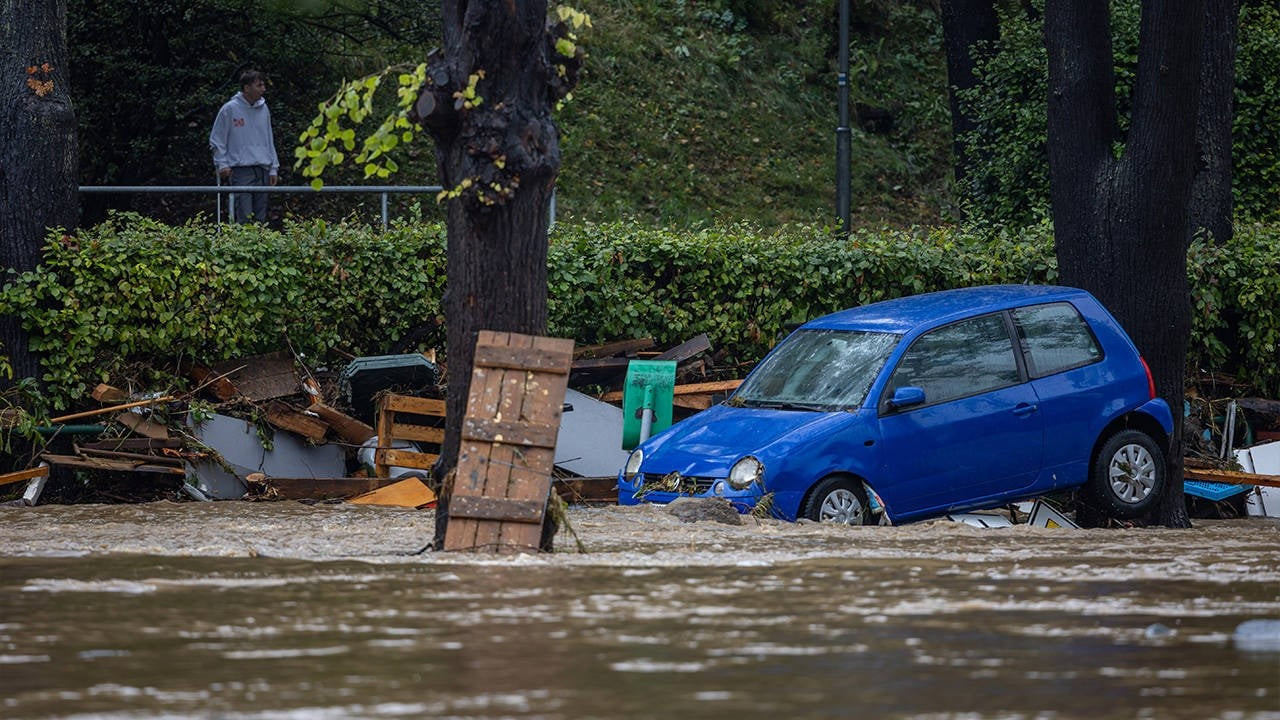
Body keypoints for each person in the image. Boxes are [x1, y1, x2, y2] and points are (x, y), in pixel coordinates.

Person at [209, 69, 279, 223]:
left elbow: (269, 139)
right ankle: (242, 246)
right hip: (241, 169)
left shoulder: (264, 108)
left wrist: (273, 167)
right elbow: (217, 139)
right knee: (244, 215)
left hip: (262, 168)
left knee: (260, 217)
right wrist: (222, 163)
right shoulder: (230, 109)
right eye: (259, 85)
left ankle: (260, 245)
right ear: (247, 88)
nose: (263, 89)